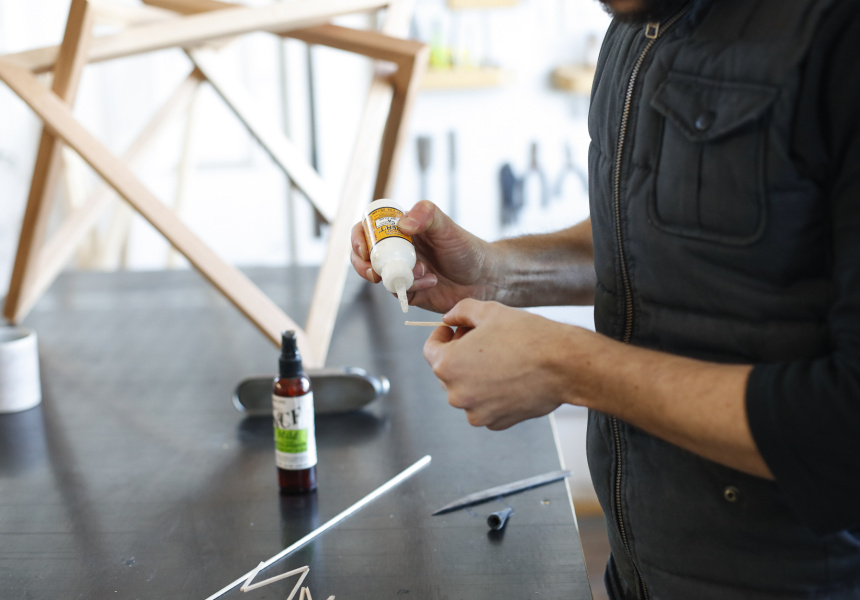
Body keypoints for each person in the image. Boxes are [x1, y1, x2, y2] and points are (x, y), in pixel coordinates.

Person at [350, 0, 860, 597]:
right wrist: (494, 273)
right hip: (639, 568)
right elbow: (657, 235)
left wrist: (569, 367)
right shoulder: (639, 21)